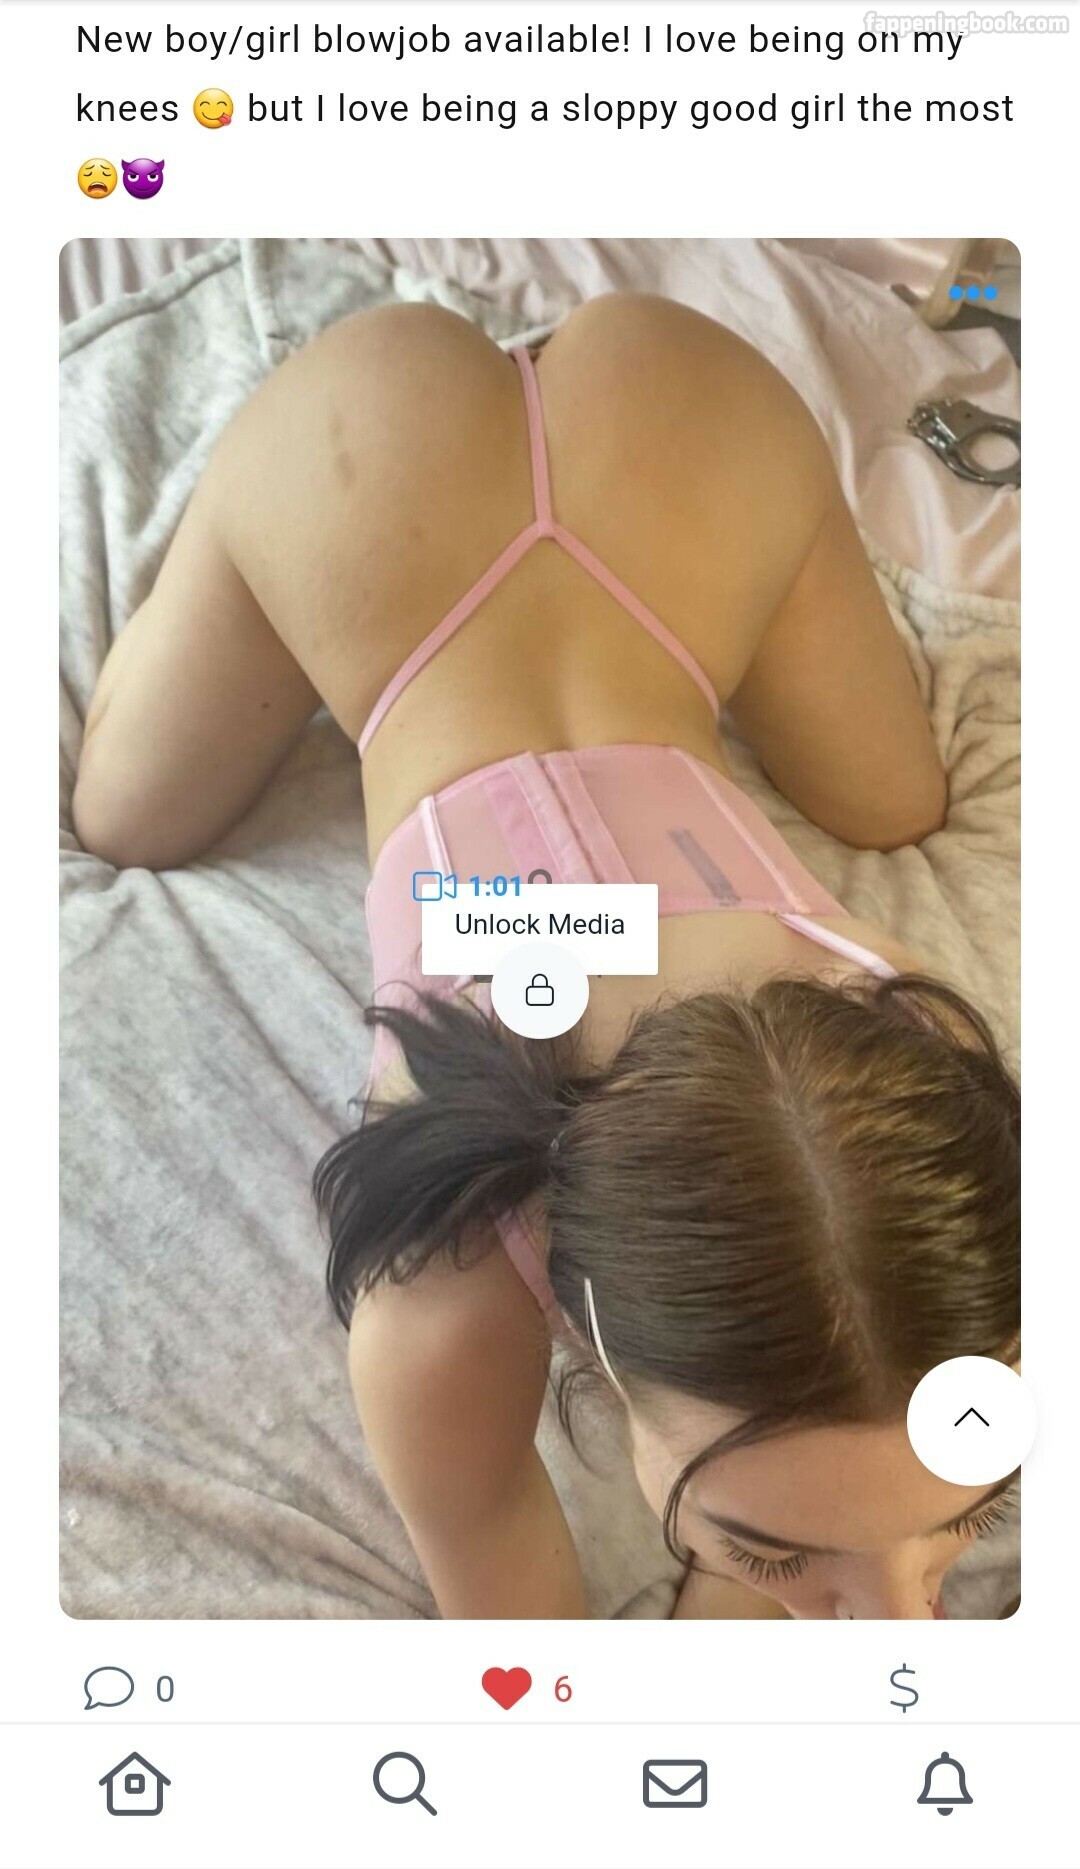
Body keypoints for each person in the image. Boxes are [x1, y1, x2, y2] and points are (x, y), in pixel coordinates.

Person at [72, 292, 1019, 1620]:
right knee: (122, 819)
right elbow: (526, 1645)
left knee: (897, 805)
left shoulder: (931, 1074)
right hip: (386, 463)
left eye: (975, 1511)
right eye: (772, 1551)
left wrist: (779, 1564)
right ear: (599, 1360)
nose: (907, 1620)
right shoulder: (439, 1300)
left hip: (651, 427)